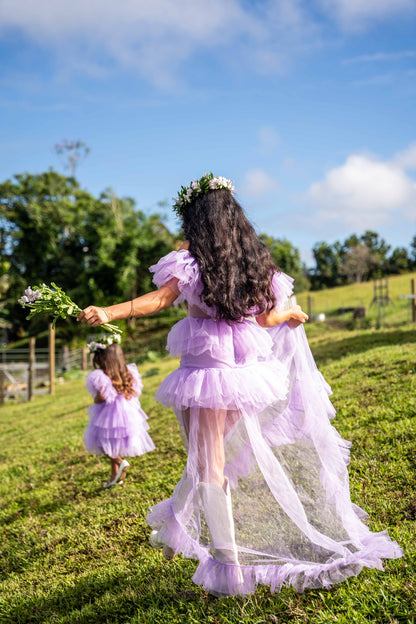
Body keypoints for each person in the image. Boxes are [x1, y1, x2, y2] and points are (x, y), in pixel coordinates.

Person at [78, 173, 402, 596]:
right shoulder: (252, 263)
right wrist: (287, 314)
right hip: (244, 376)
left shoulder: (190, 263)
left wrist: (110, 311)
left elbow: (157, 302)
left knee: (208, 461)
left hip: (205, 375)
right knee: (206, 457)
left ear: (198, 221)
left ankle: (227, 565)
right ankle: (178, 523)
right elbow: (264, 317)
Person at [84, 335, 155, 488]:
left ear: (101, 358)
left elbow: (102, 397)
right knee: (113, 444)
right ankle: (114, 477)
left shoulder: (100, 376)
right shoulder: (128, 371)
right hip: (127, 413)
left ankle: (120, 462)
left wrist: (95, 400)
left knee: (102, 443)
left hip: (109, 414)